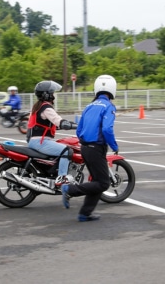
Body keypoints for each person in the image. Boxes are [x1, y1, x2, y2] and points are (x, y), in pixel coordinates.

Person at [61, 75, 119, 222]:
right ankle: (70, 190)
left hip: (85, 148)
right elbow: (107, 129)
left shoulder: (89, 106)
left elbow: (79, 130)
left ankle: (85, 213)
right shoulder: (108, 107)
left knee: (98, 181)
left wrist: (85, 143)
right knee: (104, 183)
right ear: (112, 89)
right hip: (96, 148)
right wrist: (114, 146)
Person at [27, 80, 76, 186]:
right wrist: (76, 126)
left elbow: (44, 125)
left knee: (60, 147)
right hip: (41, 142)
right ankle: (62, 178)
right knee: (67, 151)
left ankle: (53, 172)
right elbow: (59, 121)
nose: (54, 95)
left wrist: (59, 126)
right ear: (47, 94)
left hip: (35, 141)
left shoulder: (37, 107)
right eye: (52, 93)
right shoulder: (46, 108)